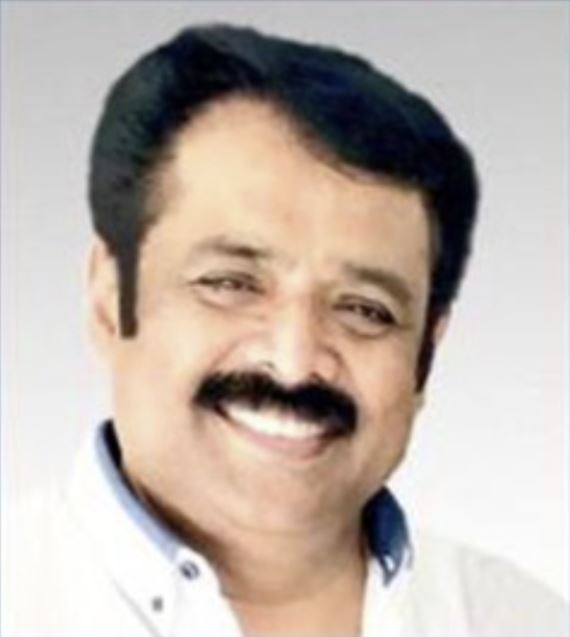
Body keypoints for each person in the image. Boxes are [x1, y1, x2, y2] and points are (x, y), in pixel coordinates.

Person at [3, 23, 567, 637]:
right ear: (111, 300)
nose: (295, 362)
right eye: (231, 283)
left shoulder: (524, 620)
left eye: (365, 310)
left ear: (425, 354)